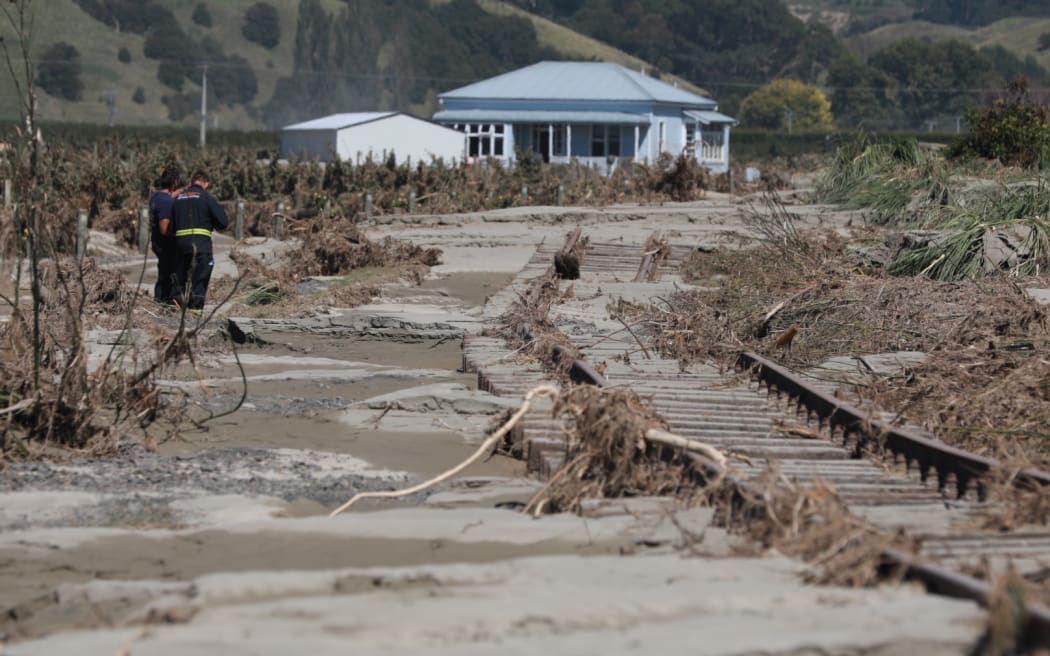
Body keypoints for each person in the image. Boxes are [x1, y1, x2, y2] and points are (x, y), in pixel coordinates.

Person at [171, 170, 229, 316]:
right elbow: (223, 223)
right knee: (200, 280)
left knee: (179, 279)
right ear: (206, 183)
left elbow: (171, 227)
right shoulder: (206, 198)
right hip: (201, 246)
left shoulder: (178, 198)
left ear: (191, 182)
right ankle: (195, 315)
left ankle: (175, 312)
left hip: (180, 246)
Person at [149, 166, 181, 305]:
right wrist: (178, 234)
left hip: (157, 242)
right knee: (170, 275)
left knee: (164, 271)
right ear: (175, 182)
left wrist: (186, 189)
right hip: (166, 244)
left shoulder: (157, 196)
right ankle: (166, 303)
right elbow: (164, 229)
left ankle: (161, 301)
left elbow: (170, 195)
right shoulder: (166, 202)